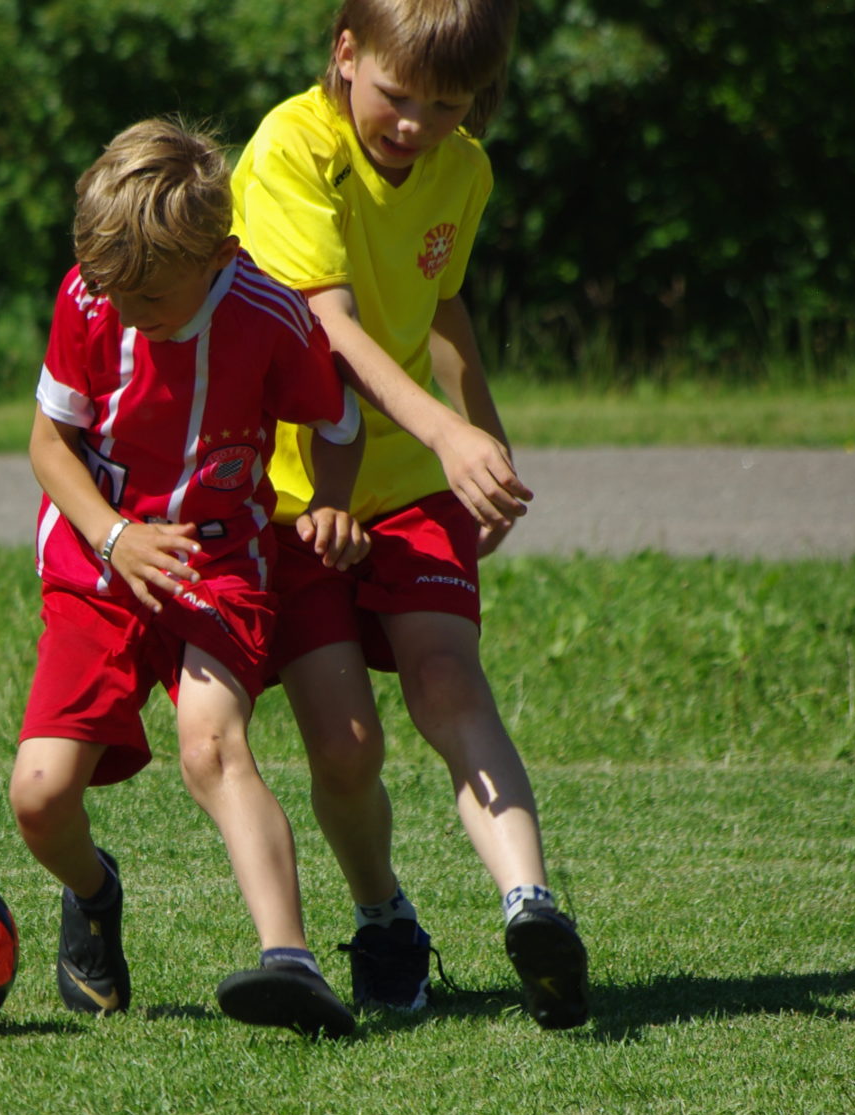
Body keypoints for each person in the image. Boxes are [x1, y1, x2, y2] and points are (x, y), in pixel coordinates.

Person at [229, 0, 588, 1027]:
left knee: (446, 676)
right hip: (297, 497)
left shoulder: (461, 169)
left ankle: (532, 908)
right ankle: (383, 916)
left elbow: (442, 300)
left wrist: (487, 432)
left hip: (410, 483)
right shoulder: (292, 148)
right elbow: (326, 327)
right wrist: (446, 432)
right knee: (345, 746)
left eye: (448, 106)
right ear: (346, 53)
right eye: (397, 96)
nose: (416, 126)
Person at [9, 118, 370, 1038]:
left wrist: (332, 503)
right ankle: (94, 893)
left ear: (218, 256)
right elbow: (50, 444)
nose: (128, 314)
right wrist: (115, 536)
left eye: (151, 300)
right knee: (40, 796)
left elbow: (338, 422)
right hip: (97, 561)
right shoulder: (93, 296)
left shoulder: (270, 316)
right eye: (113, 293)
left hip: (218, 564)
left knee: (213, 747)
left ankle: (291, 962)